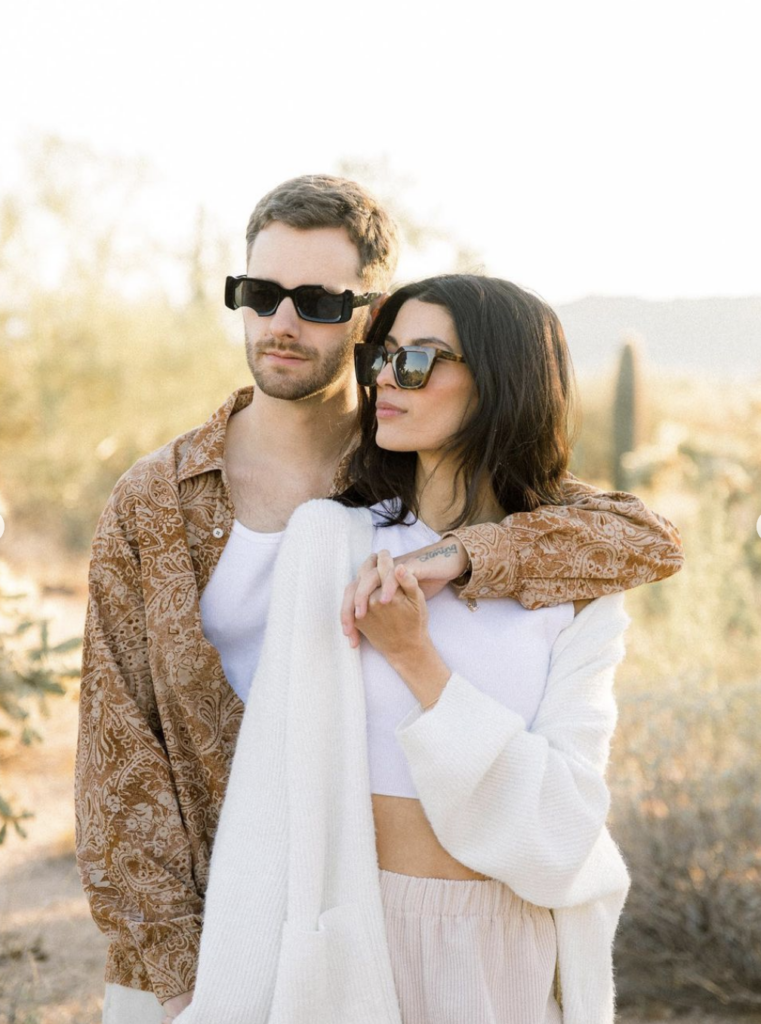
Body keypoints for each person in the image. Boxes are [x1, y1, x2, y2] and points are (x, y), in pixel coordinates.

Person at [74, 176, 682, 1023]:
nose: (281, 323)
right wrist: (182, 970)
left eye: (317, 300)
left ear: (371, 314)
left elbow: (640, 538)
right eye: (258, 295)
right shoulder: (156, 500)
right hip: (220, 902)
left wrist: (457, 557)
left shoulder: (411, 466)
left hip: (372, 897)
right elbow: (117, 750)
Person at [172, 273, 644, 1024]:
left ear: (497, 385)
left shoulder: (579, 583)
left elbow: (561, 826)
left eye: (418, 362)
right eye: (381, 358)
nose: (386, 380)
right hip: (351, 938)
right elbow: (271, 798)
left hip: (508, 948)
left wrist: (416, 660)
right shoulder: (329, 544)